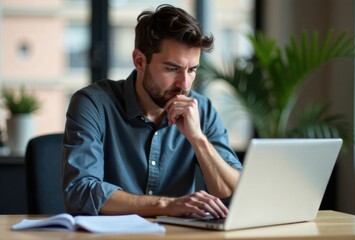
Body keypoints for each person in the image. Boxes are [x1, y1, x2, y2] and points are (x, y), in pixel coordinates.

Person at [62, 4, 242, 219]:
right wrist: (166, 205)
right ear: (139, 60)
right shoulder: (93, 104)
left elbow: (231, 191)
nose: (184, 84)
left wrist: (197, 139)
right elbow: (80, 191)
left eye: (192, 70)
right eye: (172, 68)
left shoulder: (202, 110)